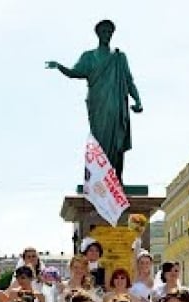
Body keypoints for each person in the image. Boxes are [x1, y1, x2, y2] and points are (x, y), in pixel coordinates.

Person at [46, 19, 143, 181]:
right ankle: (99, 177)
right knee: (99, 140)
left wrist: (138, 100)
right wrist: (59, 67)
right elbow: (74, 72)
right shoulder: (89, 56)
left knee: (117, 141)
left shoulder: (119, 57)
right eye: (104, 32)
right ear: (98, 34)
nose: (107, 35)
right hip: (98, 105)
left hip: (116, 105)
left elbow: (129, 81)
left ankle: (115, 179)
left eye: (109, 32)